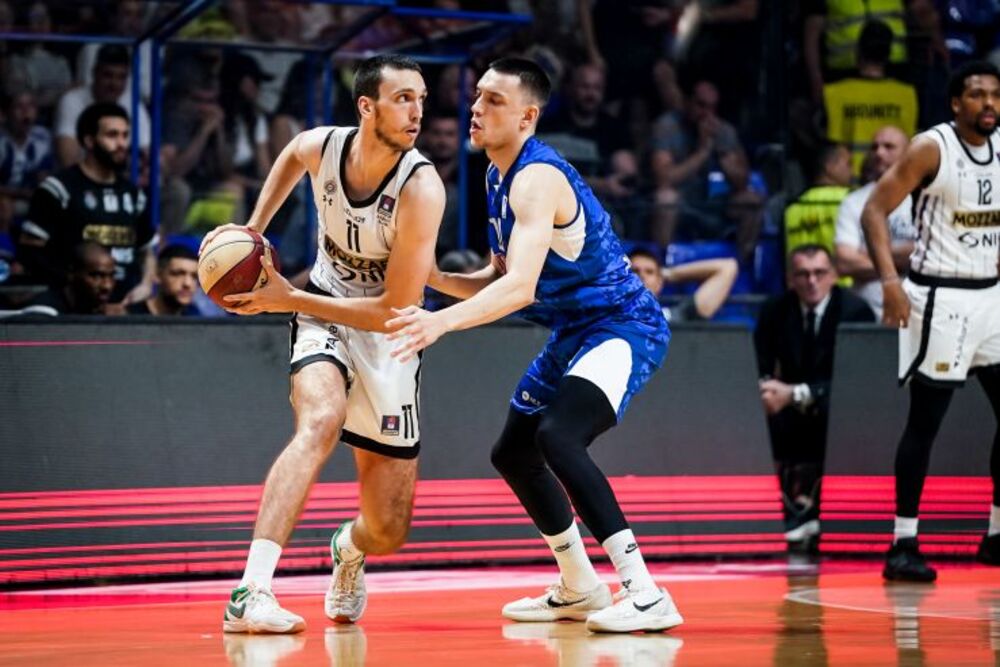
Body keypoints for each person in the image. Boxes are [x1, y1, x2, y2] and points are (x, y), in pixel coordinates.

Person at [384, 57, 683, 634]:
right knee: (514, 452)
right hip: (575, 331)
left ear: (527, 117)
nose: (475, 108)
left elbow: (519, 290)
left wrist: (440, 323)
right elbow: (498, 276)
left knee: (559, 437)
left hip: (623, 325)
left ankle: (645, 592)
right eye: (476, 96)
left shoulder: (536, 178)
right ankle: (579, 585)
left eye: (493, 101)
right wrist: (429, 276)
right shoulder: (498, 175)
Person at [200, 55, 444, 633]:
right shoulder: (323, 147)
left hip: (389, 337)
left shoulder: (421, 188)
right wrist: (252, 232)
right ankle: (251, 591)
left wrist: (288, 298)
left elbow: (391, 312)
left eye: (422, 99)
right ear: (367, 106)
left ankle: (348, 548)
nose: (417, 111)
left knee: (388, 529)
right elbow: (289, 157)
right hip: (324, 311)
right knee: (319, 422)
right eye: (403, 98)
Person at [861, 60, 1000, 582]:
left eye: (995, 95)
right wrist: (891, 284)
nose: (989, 104)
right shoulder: (931, 148)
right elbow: (874, 211)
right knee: (926, 422)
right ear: (955, 103)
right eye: (977, 95)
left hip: (992, 297)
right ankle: (903, 543)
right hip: (940, 298)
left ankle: (996, 533)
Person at [754, 245, 875, 553]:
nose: (811, 281)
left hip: (839, 407)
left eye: (819, 273)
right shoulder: (775, 310)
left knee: (843, 411)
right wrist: (764, 388)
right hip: (787, 408)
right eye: (802, 274)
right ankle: (778, 509)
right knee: (756, 411)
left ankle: (823, 508)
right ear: (789, 279)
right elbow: (759, 365)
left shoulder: (854, 311)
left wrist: (795, 393)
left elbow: (859, 383)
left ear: (834, 276)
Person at [16, 103, 155, 304]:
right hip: (72, 309)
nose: (122, 144)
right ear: (89, 140)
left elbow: (147, 250)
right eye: (112, 135)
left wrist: (146, 285)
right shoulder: (59, 189)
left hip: (123, 308)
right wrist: (70, 287)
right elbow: (30, 250)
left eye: (125, 135)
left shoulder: (133, 194)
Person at [834, 126, 915, 318]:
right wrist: (905, 259)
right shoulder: (853, 201)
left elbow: (932, 256)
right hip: (867, 313)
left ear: (909, 153)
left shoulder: (926, 197)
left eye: (889, 147)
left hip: (918, 310)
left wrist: (871, 251)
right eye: (874, 147)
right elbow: (845, 263)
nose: (879, 153)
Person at [823, 20, 918, 182]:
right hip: (892, 180)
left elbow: (834, 149)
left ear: (858, 52)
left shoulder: (834, 93)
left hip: (848, 182)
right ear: (888, 54)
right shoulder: (906, 94)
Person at [52, 45, 151, 168]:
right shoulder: (72, 101)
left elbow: (146, 159)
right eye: (108, 75)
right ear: (94, 73)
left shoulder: (133, 105)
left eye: (121, 77)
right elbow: (68, 160)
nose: (114, 84)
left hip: (121, 182)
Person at [627, 247, 738, 322]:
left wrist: (669, 273)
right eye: (635, 271)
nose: (642, 275)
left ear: (659, 283)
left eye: (650, 272)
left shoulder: (676, 316)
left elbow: (727, 267)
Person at [783, 141, 852, 258]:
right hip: (845, 276)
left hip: (803, 275)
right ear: (829, 167)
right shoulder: (851, 201)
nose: (852, 171)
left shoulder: (792, 207)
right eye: (848, 164)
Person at [26, 241, 116, 315]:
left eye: (112, 276)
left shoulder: (110, 312)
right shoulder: (43, 313)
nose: (107, 286)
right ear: (72, 273)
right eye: (96, 276)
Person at [126, 244, 199, 316]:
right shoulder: (129, 316)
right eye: (177, 274)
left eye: (194, 277)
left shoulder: (196, 318)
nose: (187, 283)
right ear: (157, 275)